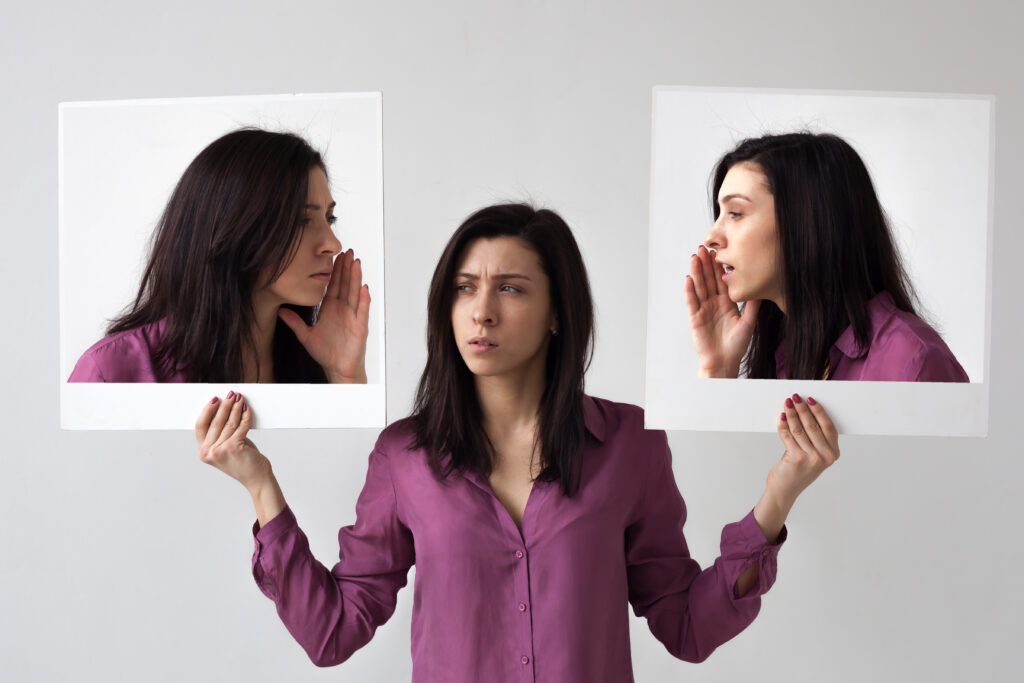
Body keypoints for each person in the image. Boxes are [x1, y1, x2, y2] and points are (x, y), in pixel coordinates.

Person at [196, 204, 839, 682]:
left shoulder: (631, 445)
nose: (482, 312)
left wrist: (777, 497)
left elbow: (687, 626)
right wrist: (261, 488)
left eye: (510, 288)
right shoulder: (404, 457)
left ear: (559, 313)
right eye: (464, 288)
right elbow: (332, 632)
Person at [67, 128, 370, 384]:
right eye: (301, 220)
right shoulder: (110, 372)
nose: (332, 243)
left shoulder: (318, 362)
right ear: (233, 228)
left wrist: (345, 376)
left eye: (329, 219)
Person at [685, 131, 969, 382]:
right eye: (720, 214)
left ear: (806, 221)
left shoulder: (915, 361)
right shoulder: (786, 357)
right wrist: (717, 370)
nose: (711, 236)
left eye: (735, 213)